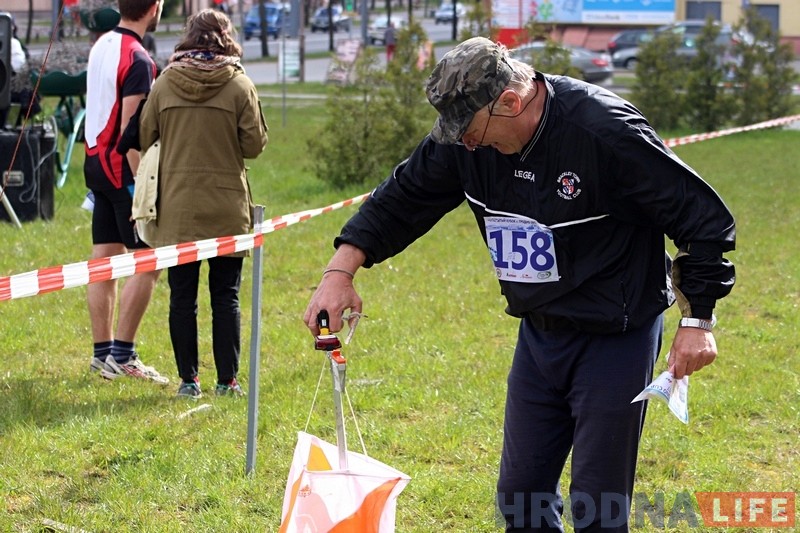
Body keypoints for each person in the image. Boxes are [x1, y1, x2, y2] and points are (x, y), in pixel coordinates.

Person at [303, 37, 736, 531]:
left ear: (511, 101)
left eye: (470, 130)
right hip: (539, 334)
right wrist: (340, 271)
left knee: (597, 504)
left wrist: (697, 318)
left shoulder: (603, 131)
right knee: (520, 499)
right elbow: (404, 196)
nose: (464, 142)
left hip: (615, 334)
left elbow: (703, 219)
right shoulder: (465, 141)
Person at [138, 9, 268, 399]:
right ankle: (227, 381)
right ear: (226, 39)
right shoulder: (239, 85)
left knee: (182, 297)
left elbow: (146, 135)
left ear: (188, 38)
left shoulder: (164, 84)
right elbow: (255, 145)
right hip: (227, 206)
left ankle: (188, 381)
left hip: (176, 206)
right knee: (225, 296)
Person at [84, 0, 168, 384]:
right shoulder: (139, 59)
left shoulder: (101, 44)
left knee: (104, 261)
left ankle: (103, 356)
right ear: (155, 8)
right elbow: (130, 132)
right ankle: (123, 354)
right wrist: (141, 193)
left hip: (95, 164)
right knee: (148, 263)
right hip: (121, 170)